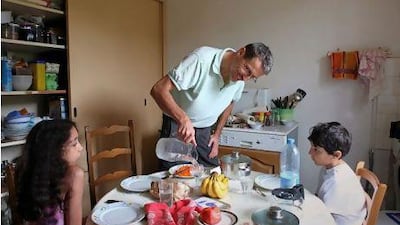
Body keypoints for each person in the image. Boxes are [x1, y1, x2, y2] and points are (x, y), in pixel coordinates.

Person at [151, 43, 273, 169]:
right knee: (176, 180)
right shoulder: (201, 60)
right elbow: (159, 89)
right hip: (177, 126)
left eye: (252, 77)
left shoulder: (239, 80)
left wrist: (217, 134)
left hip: (204, 131)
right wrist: (183, 119)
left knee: (212, 175)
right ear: (241, 52)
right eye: (247, 69)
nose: (245, 78)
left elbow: (230, 102)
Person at [16, 119, 84, 225]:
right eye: (74, 144)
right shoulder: (75, 175)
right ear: (54, 151)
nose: (80, 148)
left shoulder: (27, 170)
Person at [307, 122, 366, 225]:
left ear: (336, 155)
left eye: (316, 149)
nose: (310, 152)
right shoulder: (330, 167)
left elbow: (320, 216)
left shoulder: (337, 182)